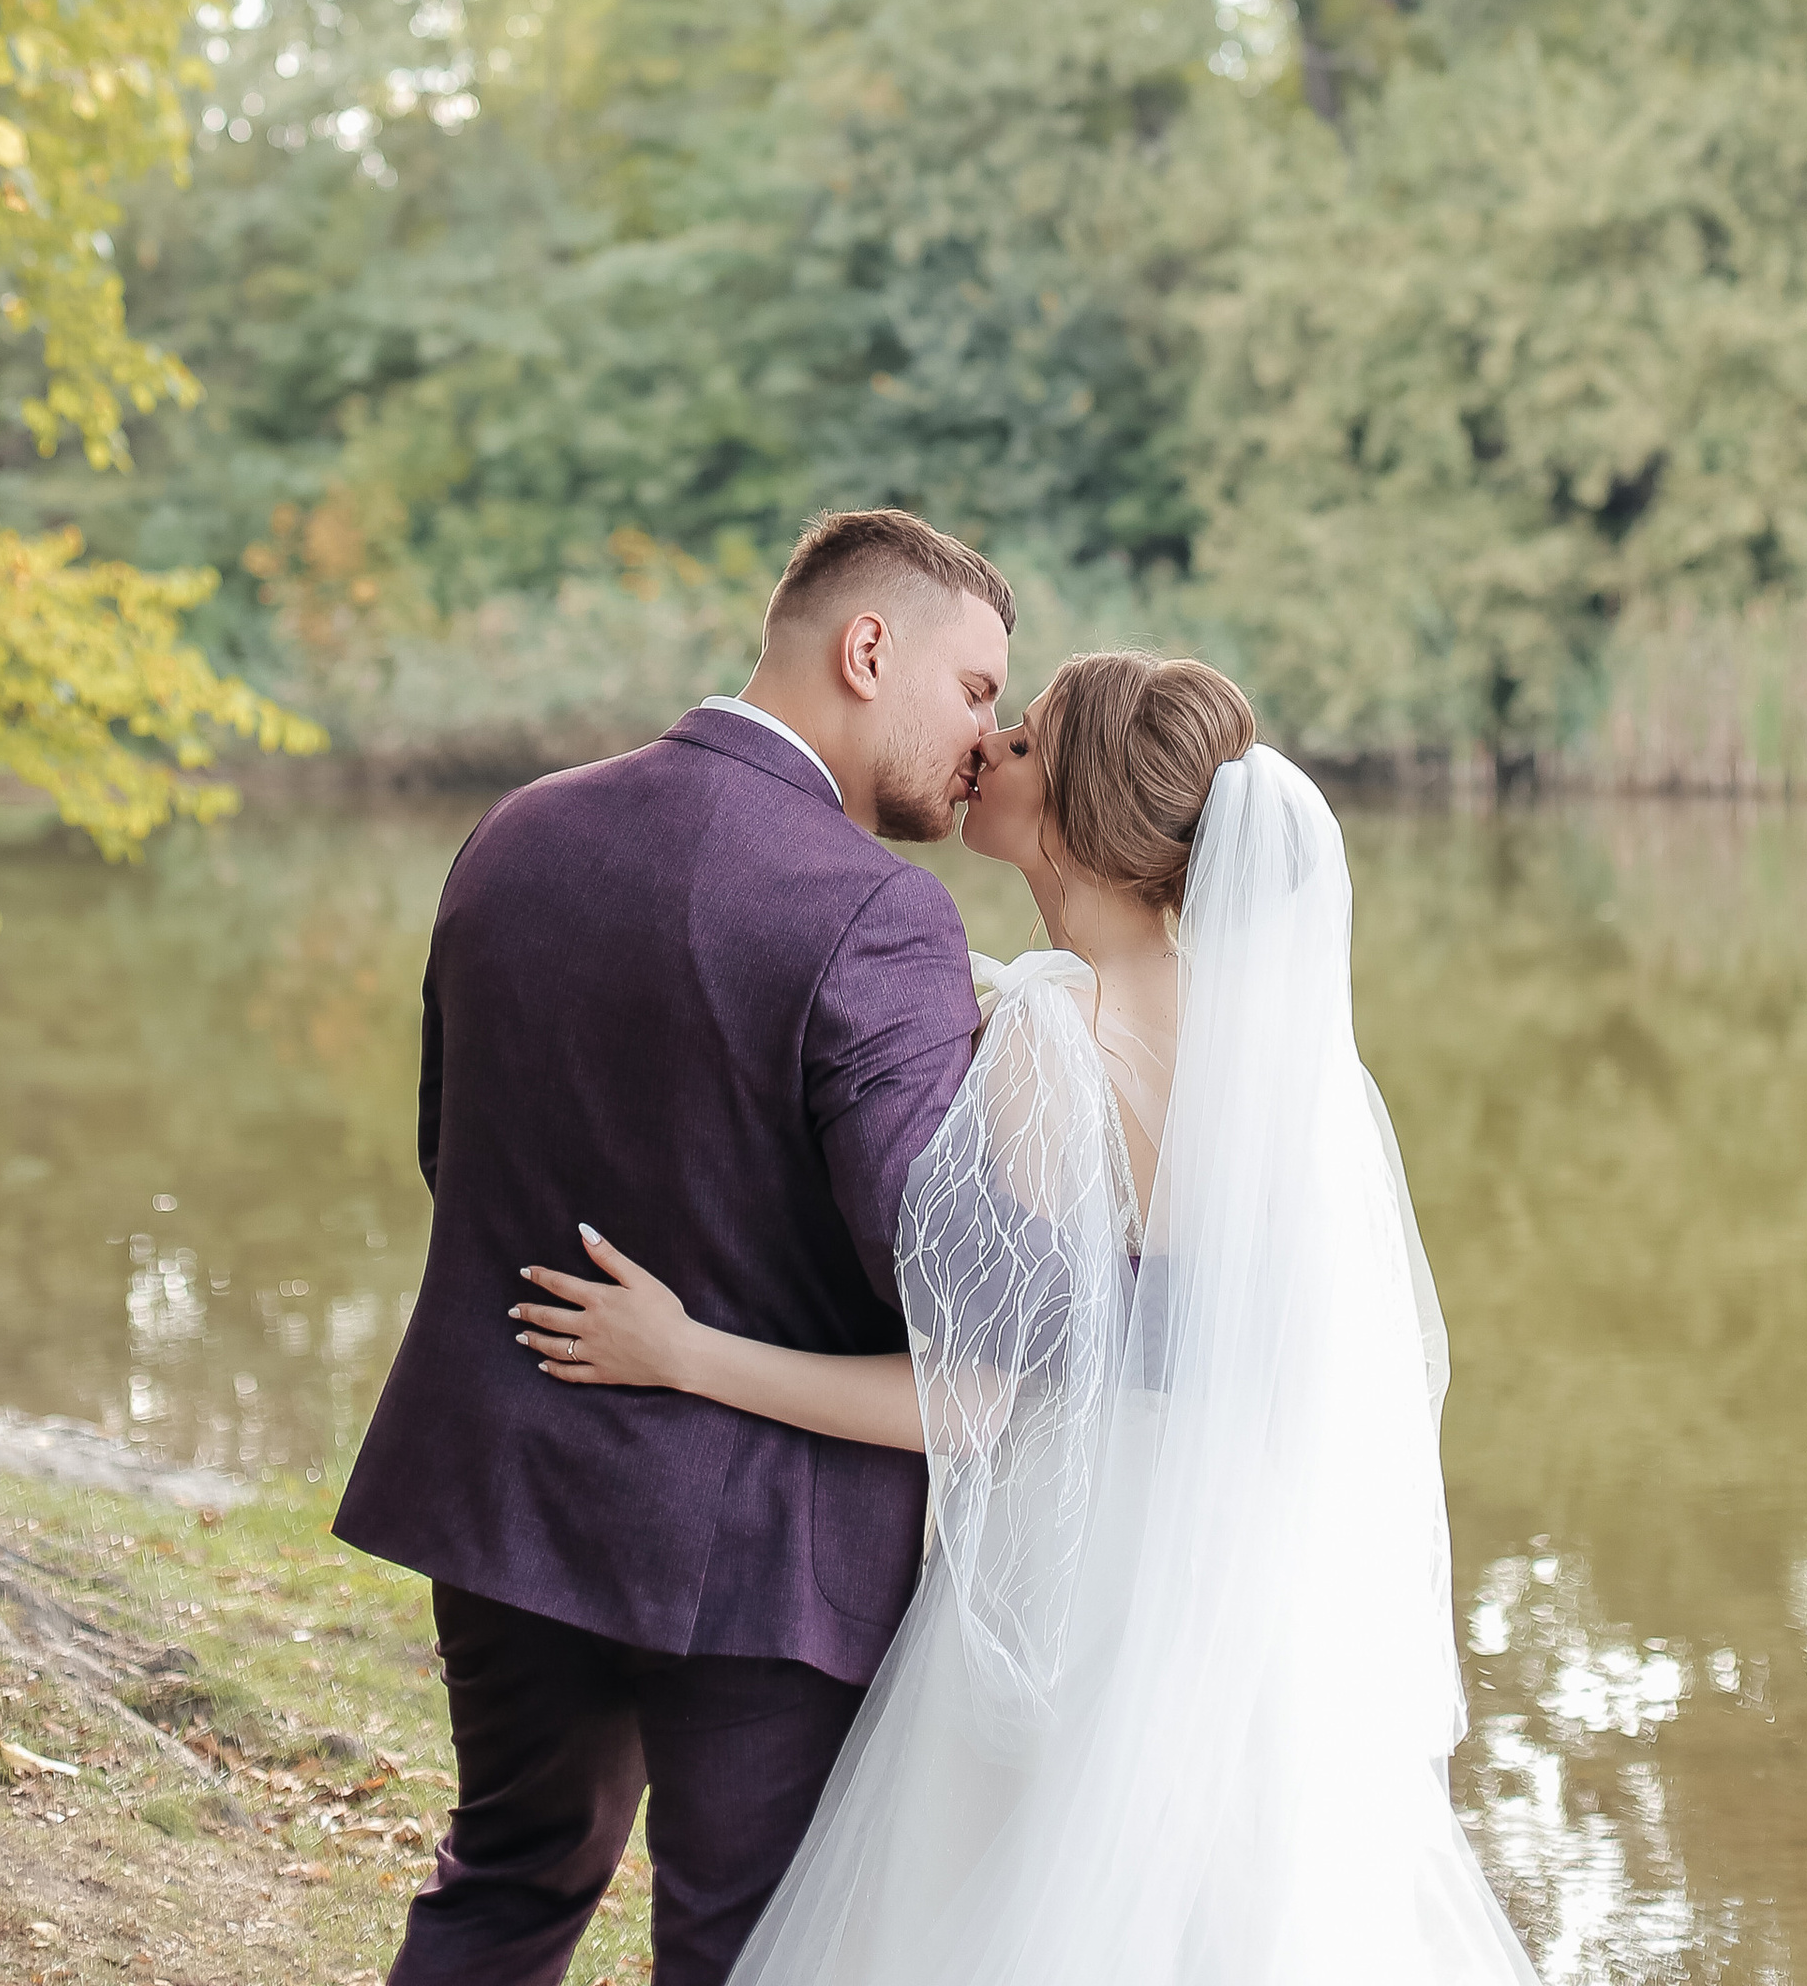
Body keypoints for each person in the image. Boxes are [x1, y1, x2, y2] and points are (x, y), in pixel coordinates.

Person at [516, 651, 1541, 1986]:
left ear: (1079, 817)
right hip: (1255, 1567)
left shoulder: (1054, 1045)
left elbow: (978, 1394)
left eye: (1031, 740)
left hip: (1087, 1572)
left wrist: (685, 1353)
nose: (988, 744)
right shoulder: (1297, 1061)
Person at [333, 505, 1015, 1986]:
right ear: (869, 645)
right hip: (766, 1552)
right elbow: (947, 1277)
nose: (986, 738)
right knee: (747, 1950)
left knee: (507, 1883)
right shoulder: (878, 913)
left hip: (513, 1485)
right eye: (976, 692)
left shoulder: (519, 829)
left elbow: (454, 1152)